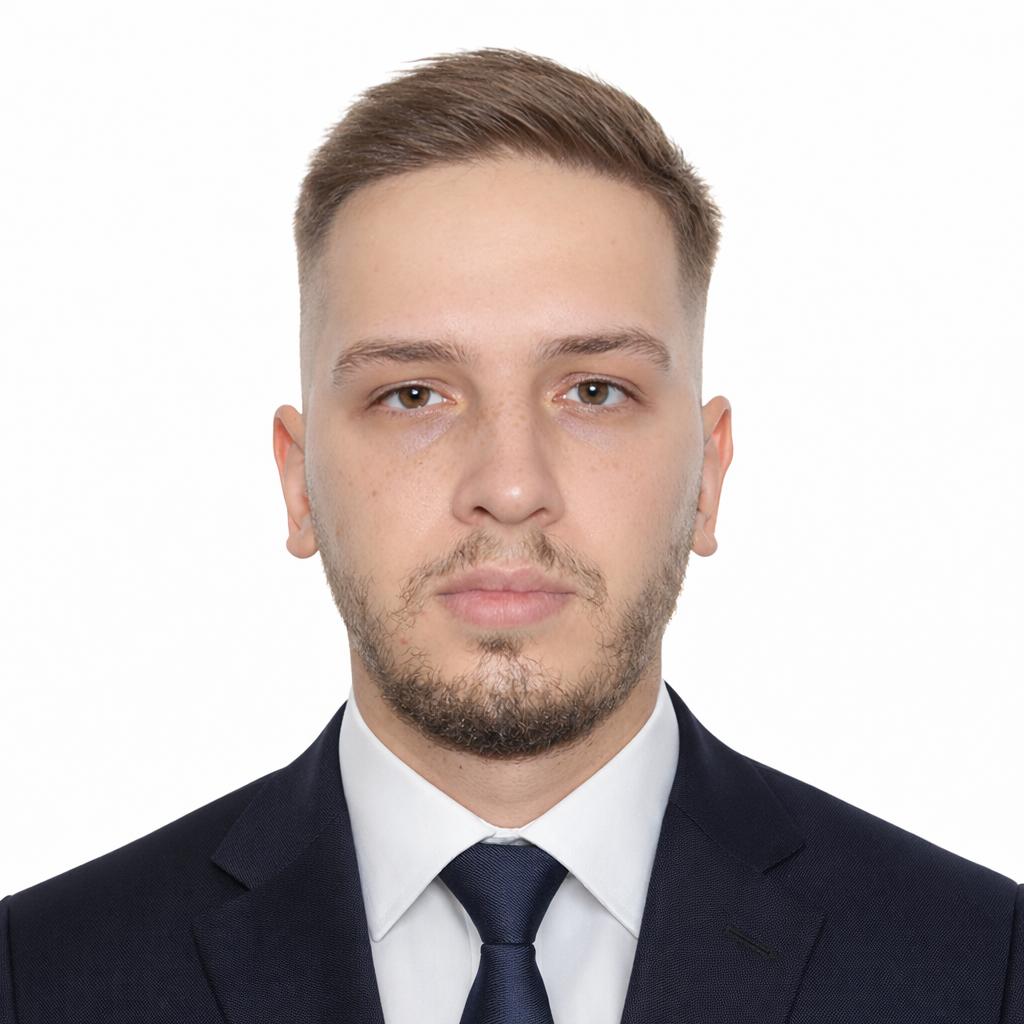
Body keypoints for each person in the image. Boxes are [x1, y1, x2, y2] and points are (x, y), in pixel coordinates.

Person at [1, 46, 1020, 1024]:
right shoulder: (37, 978)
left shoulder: (984, 970)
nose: (510, 486)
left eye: (594, 391)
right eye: (412, 394)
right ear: (298, 482)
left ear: (708, 475)